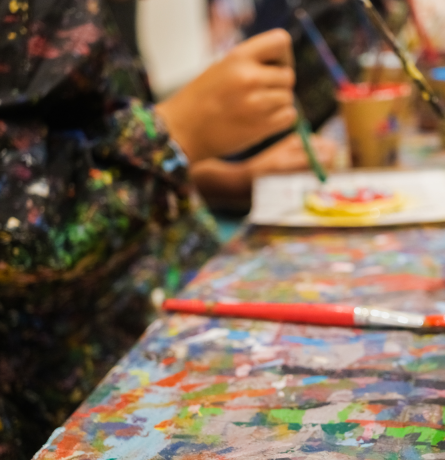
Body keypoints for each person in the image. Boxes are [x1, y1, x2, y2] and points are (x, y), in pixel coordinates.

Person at [0, 0, 306, 458]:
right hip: (87, 404)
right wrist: (174, 131)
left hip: (185, 322)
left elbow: (83, 135)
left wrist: (214, 176)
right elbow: (19, 229)